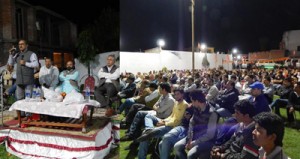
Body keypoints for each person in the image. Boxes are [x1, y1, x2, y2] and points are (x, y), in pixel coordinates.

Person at [136, 88, 188, 159]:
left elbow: (177, 121)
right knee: (146, 132)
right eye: (175, 94)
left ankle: (142, 155)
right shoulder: (176, 102)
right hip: (168, 123)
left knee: (146, 134)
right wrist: (163, 121)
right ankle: (141, 156)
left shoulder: (184, 105)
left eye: (178, 94)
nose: (176, 96)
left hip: (173, 127)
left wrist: (164, 123)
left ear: (182, 94)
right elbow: (172, 115)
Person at [174, 90, 218, 159]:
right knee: (177, 147)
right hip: (195, 135)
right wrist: (189, 137)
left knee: (190, 154)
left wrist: (194, 143)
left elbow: (210, 135)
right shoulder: (197, 107)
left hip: (207, 140)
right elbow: (191, 122)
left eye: (192, 101)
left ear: (197, 101)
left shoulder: (212, 113)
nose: (191, 103)